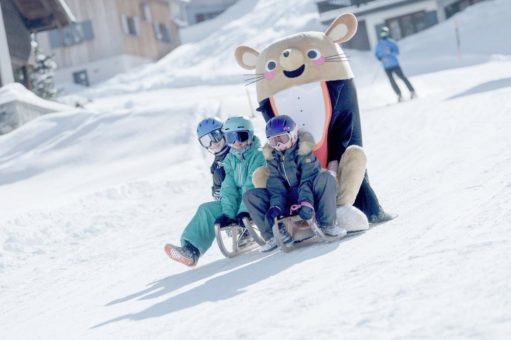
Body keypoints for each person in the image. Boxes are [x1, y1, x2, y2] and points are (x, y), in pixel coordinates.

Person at [164, 116, 265, 266]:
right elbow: (226, 188)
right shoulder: (220, 163)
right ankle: (191, 249)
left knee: (245, 197)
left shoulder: (247, 153)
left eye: (216, 136)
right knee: (206, 210)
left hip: (252, 199)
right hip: (234, 201)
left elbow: (249, 184)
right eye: (207, 141)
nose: (213, 143)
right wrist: (224, 206)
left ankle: (246, 232)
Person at [243, 115, 345, 252]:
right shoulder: (273, 158)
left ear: (293, 135)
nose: (278, 145)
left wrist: (306, 203)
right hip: (288, 200)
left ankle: (327, 225)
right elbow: (276, 187)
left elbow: (307, 180)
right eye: (273, 141)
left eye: (282, 138)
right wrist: (276, 206)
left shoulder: (304, 152)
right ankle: (272, 235)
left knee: (325, 177)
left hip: (310, 197)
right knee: (251, 195)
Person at [375, 26, 417, 102]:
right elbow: (377, 54)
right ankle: (399, 95)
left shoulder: (391, 42)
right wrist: (380, 58)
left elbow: (397, 52)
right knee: (391, 81)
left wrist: (390, 52)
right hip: (386, 66)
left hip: (394, 64)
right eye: (382, 33)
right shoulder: (379, 44)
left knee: (403, 78)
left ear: (387, 33)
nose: (383, 34)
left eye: (384, 32)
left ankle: (412, 91)